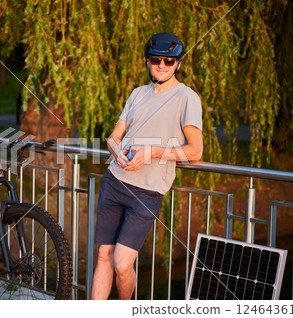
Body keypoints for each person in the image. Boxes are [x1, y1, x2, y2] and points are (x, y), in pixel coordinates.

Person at [91, 32, 203, 300]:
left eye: (169, 61)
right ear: (148, 62)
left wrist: (152, 152)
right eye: (156, 60)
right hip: (114, 181)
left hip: (147, 192)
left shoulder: (187, 97)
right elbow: (114, 136)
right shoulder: (137, 94)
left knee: (122, 263)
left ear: (178, 63)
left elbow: (195, 151)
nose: (162, 66)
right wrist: (116, 151)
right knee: (103, 256)